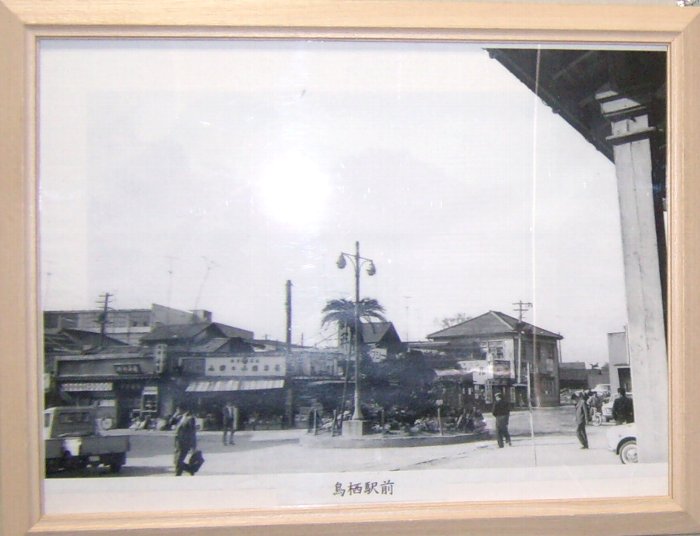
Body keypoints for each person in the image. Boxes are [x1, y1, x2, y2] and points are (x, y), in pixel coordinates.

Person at [170, 404, 197, 476]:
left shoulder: (190, 418)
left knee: (178, 461)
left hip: (185, 443)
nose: (177, 411)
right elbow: (171, 423)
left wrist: (193, 446)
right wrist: (175, 415)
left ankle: (178, 475)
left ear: (181, 409)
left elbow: (192, 432)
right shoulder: (180, 417)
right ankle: (190, 469)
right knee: (176, 461)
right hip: (177, 443)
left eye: (177, 410)